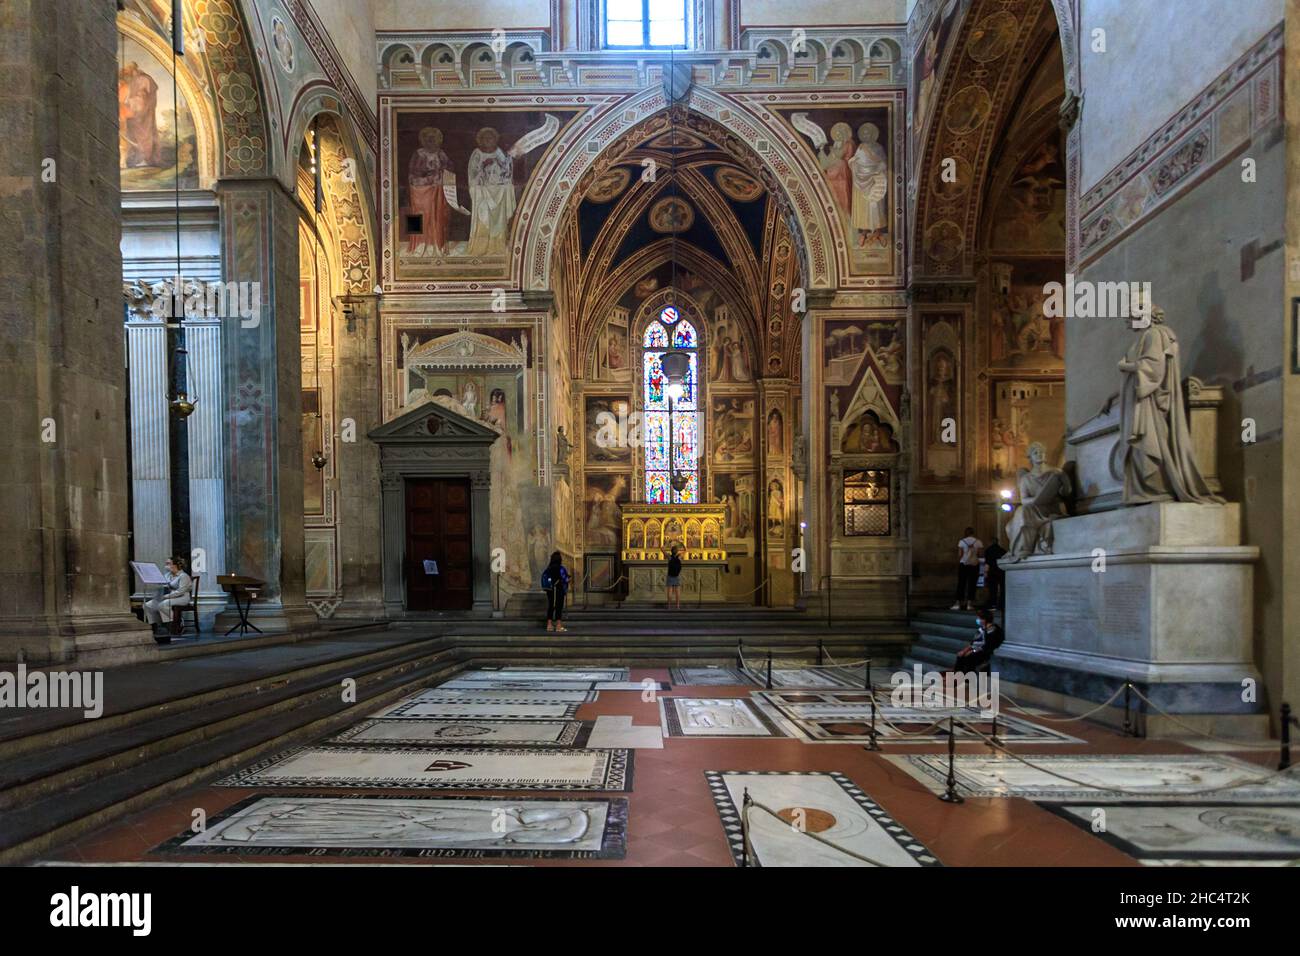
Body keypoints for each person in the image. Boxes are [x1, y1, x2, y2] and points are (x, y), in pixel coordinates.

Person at [143, 556, 193, 638]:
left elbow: (180, 591)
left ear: (176, 565)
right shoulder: (167, 575)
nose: (166, 566)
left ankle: (173, 624)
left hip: (182, 597)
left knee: (163, 604)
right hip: (168, 596)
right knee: (147, 605)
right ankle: (156, 625)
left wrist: (166, 596)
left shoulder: (184, 576)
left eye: (168, 564)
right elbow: (164, 585)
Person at [955, 608, 1004, 673]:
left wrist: (973, 651)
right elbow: (973, 643)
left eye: (979, 618)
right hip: (979, 649)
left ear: (984, 619)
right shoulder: (981, 629)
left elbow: (988, 646)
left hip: (987, 652)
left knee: (969, 657)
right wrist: (964, 651)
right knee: (960, 656)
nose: (978, 620)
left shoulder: (992, 630)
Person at [951, 526, 982, 610]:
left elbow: (959, 554)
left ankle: (958, 603)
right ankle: (969, 603)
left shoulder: (961, 541)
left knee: (961, 583)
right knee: (972, 584)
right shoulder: (978, 541)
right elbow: (979, 554)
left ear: (965, 533)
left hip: (963, 564)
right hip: (974, 564)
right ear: (973, 533)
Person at [540, 551, 569, 633]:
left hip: (550, 590)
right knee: (558, 607)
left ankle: (549, 625)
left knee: (551, 606)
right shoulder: (561, 569)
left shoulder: (548, 569)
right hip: (559, 590)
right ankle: (558, 626)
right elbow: (565, 579)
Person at [982, 536, 1007, 610]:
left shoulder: (988, 550)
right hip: (1001, 571)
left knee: (993, 589)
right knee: (1003, 589)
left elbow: (987, 563)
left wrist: (985, 572)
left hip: (992, 572)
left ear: (990, 542)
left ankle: (993, 604)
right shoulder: (1003, 550)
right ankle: (1002, 604)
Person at [666, 545, 683, 610]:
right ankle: (677, 606)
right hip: (677, 576)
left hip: (670, 575)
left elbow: (661, 549)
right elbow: (686, 549)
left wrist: (667, 543)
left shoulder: (669, 557)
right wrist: (681, 543)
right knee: (677, 592)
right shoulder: (679, 557)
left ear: (671, 551)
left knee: (669, 592)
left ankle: (669, 606)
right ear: (677, 551)